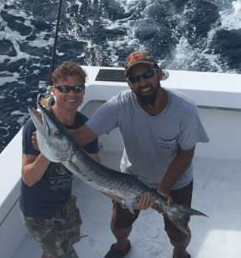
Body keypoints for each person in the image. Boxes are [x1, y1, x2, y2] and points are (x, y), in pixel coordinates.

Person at [70, 51, 210, 258]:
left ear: (160, 73)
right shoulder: (119, 105)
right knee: (120, 222)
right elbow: (80, 137)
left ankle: (180, 253)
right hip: (130, 178)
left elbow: (186, 154)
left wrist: (163, 190)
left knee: (177, 231)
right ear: (128, 83)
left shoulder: (185, 110)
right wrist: (51, 116)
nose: (142, 82)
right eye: (134, 78)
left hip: (176, 181)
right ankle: (121, 245)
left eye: (148, 74)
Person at [19, 61, 101, 258]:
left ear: (83, 90)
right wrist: (47, 152)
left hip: (65, 202)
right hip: (39, 211)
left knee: (71, 240)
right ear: (54, 90)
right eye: (64, 88)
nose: (71, 94)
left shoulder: (84, 125)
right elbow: (28, 178)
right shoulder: (37, 126)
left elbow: (96, 170)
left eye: (77, 88)